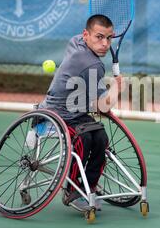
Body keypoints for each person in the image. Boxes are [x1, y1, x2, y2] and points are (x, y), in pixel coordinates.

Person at [38, 14, 125, 212]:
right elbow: (103, 108)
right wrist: (116, 88)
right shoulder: (91, 64)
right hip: (55, 115)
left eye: (109, 38)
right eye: (99, 37)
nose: (105, 44)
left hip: (77, 113)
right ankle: (74, 188)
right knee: (83, 138)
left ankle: (90, 184)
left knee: (101, 137)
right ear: (86, 35)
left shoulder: (76, 41)